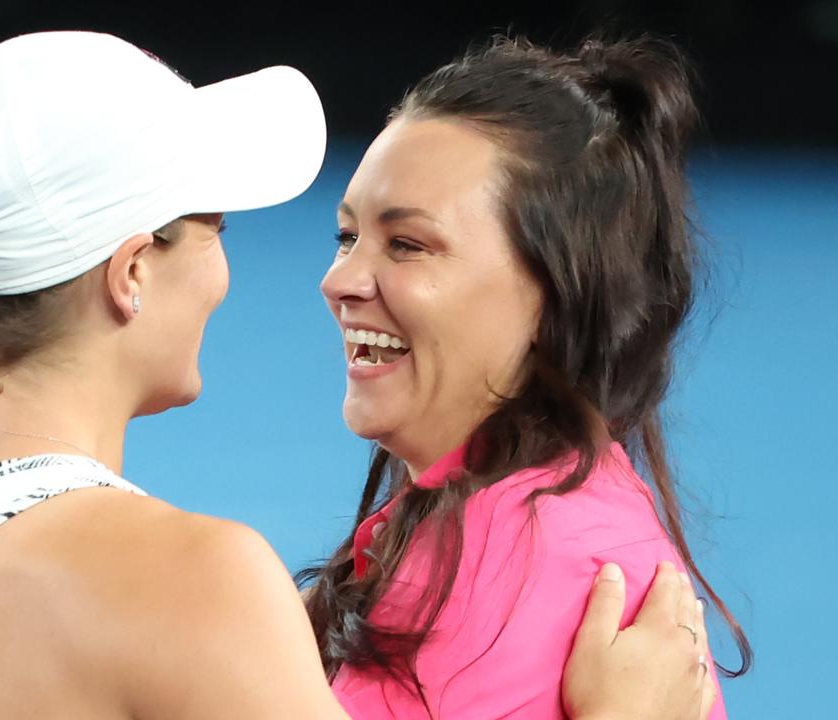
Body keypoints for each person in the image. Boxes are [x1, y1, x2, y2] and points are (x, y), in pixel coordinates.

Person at [0, 31, 715, 720]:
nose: (335, 280)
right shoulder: (200, 581)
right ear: (131, 274)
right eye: (216, 231)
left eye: (403, 244)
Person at [301, 35, 752, 719]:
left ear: (554, 296)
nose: (340, 281)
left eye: (408, 244)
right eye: (347, 236)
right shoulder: (528, 511)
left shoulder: (501, 559)